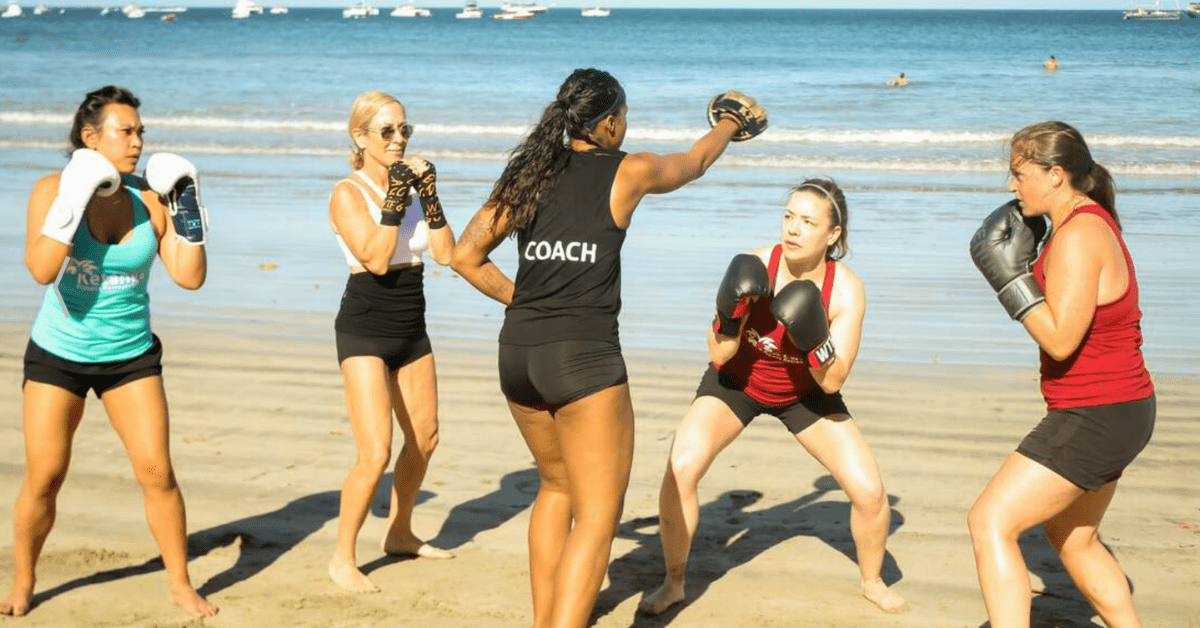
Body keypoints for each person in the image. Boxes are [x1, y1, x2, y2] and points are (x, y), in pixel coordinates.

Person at [450, 68, 766, 628]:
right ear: (611, 122)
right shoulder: (629, 171)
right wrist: (729, 123)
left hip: (518, 352)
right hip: (583, 362)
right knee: (598, 518)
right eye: (626, 117)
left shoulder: (527, 174)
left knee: (555, 488)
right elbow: (692, 163)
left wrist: (526, 301)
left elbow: (463, 255)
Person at [637, 178, 907, 616]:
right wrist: (730, 315)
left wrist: (812, 335)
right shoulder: (756, 266)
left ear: (832, 234)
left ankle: (872, 581)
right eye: (788, 217)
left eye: (806, 222)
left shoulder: (846, 290)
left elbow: (833, 382)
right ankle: (674, 581)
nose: (793, 230)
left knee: (870, 493)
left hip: (806, 392)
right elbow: (720, 353)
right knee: (681, 467)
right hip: (738, 382)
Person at [1, 85, 217, 618]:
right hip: (59, 353)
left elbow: (190, 278)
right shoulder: (51, 189)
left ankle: (178, 583)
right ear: (88, 137)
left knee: (156, 472)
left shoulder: (150, 198)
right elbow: (41, 270)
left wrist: (186, 209)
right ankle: (24, 580)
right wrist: (73, 200)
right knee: (46, 474)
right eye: (126, 131)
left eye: (141, 131)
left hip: (130, 355)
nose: (138, 142)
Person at [967, 120, 1155, 628]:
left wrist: (1011, 281)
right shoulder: (1086, 222)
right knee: (1074, 538)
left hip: (1098, 411)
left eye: (1018, 173)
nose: (1011, 186)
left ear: (1054, 175)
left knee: (990, 522)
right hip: (1121, 407)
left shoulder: (1079, 235)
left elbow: (1061, 338)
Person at [326, 90, 456, 593]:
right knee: (374, 452)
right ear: (360, 137)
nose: (399, 139)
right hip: (364, 324)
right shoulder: (347, 193)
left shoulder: (412, 189)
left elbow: (442, 253)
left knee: (424, 438)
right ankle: (342, 557)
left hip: (410, 322)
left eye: (405, 130)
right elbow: (377, 259)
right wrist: (398, 196)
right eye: (388, 131)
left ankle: (399, 533)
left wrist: (429, 191)